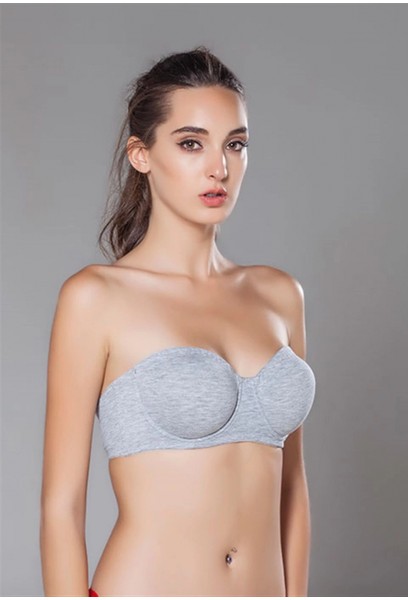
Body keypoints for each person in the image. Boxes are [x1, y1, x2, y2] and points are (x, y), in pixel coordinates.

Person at [40, 46, 316, 597]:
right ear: (141, 155)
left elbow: (292, 488)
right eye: (192, 143)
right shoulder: (96, 298)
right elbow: (61, 507)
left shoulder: (280, 295)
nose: (220, 168)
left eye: (235, 144)